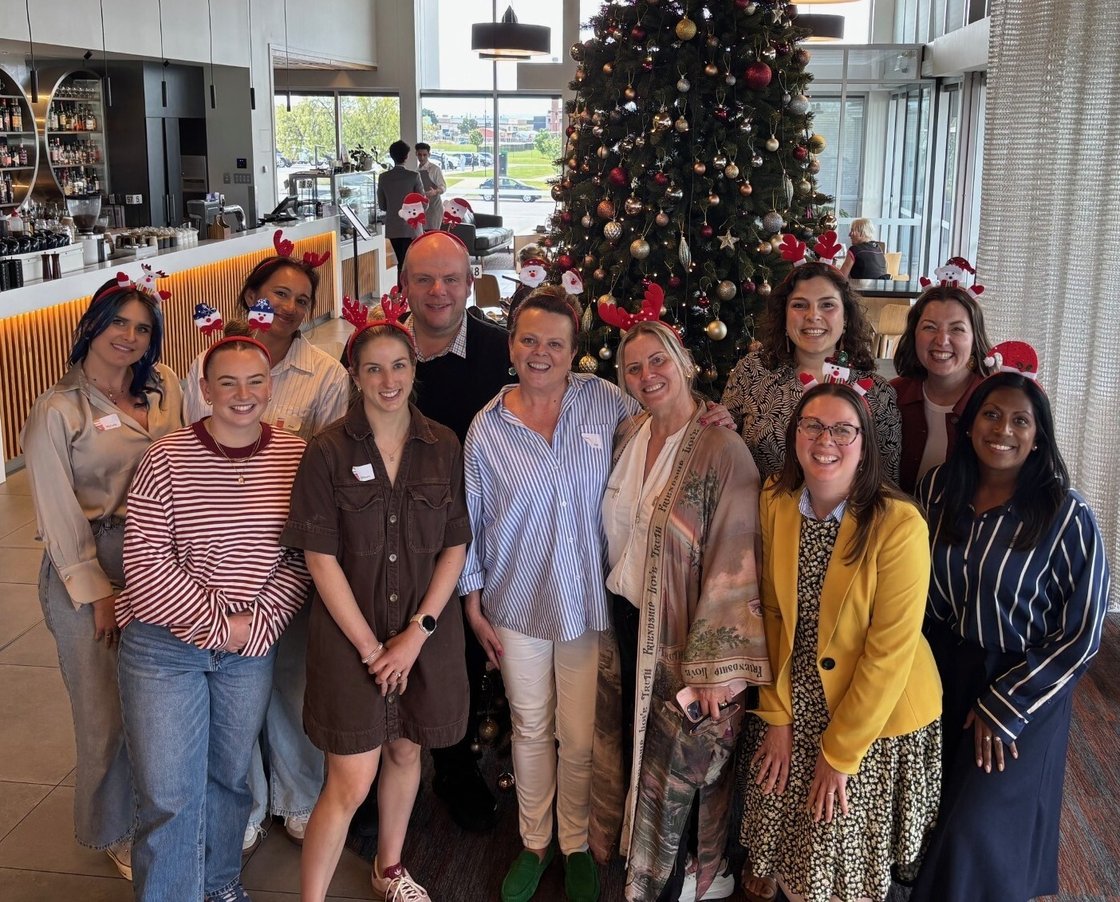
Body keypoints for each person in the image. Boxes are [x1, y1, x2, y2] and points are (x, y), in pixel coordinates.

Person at [461, 287, 644, 902]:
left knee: (580, 734)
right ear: (511, 345)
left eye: (556, 344)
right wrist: (470, 600)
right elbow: (470, 521)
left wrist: (711, 416)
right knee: (530, 726)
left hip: (587, 605)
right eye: (529, 340)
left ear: (574, 352)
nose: (541, 353)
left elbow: (662, 426)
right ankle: (535, 842)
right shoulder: (487, 429)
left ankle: (575, 842)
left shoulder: (605, 403)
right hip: (515, 606)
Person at [116, 336, 311, 901]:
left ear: (270, 387)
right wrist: (220, 625)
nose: (242, 395)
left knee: (229, 782)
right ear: (205, 390)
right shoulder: (166, 457)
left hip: (251, 647)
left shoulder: (293, 455)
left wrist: (264, 620)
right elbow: (145, 565)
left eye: (255, 382)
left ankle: (221, 884)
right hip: (163, 649)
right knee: (169, 793)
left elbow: (301, 555)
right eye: (227, 382)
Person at [911, 350, 1110, 902]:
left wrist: (1007, 705)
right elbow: (915, 588)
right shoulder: (936, 491)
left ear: (1039, 436)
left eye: (1021, 420)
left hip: (1025, 679)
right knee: (935, 805)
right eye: (992, 415)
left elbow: (1084, 631)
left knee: (978, 823)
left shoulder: (1067, 515)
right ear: (970, 422)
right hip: (944, 666)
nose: (1003, 430)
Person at [284, 315, 471, 902]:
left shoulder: (443, 443)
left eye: (399, 365)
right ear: (355, 376)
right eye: (373, 368)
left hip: (423, 633)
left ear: (414, 371)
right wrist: (372, 648)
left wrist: (416, 634)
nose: (388, 380)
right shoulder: (327, 452)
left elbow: (455, 545)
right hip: (350, 637)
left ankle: (389, 868)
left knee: (406, 747)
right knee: (349, 778)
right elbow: (319, 557)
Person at [739, 382, 942, 902]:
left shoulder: (899, 524)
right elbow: (772, 613)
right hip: (795, 688)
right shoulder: (776, 500)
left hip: (871, 708)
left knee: (835, 843)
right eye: (812, 425)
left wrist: (840, 753)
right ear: (795, 435)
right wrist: (778, 713)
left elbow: (888, 655)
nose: (825, 439)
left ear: (865, 442)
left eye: (842, 429)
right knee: (777, 799)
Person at [345, 229, 514, 853]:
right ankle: (368, 782)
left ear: (471, 282)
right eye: (424, 279)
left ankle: (457, 767)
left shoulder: (504, 353)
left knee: (458, 662)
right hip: (385, 536)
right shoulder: (383, 353)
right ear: (404, 285)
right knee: (377, 656)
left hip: (474, 539)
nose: (438, 292)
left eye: (450, 278)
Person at [591, 321, 771, 902]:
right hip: (625, 622)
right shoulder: (628, 432)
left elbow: (737, 559)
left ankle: (684, 878)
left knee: (683, 768)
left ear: (684, 361)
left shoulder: (723, 448)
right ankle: (640, 868)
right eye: (634, 367)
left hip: (685, 637)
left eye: (657, 361)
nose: (648, 376)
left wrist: (718, 666)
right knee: (637, 755)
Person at [183, 242, 350, 851]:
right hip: (216, 550)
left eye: (301, 301)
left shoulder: (326, 376)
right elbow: (188, 450)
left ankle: (300, 796)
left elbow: (331, 465)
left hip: (288, 554)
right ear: (253, 295)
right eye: (279, 293)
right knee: (230, 682)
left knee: (288, 679)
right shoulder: (209, 366)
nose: (288, 307)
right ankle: (245, 802)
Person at [20, 275, 183, 881]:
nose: (130, 336)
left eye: (143, 327)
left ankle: (163, 815)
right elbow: (59, 517)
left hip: (164, 561)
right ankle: (116, 830)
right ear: (92, 324)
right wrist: (98, 594)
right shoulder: (60, 409)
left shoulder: (165, 388)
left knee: (159, 704)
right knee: (103, 711)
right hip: (97, 562)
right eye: (119, 322)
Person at [721, 261, 901, 483]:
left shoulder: (877, 393)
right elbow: (723, 448)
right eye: (799, 305)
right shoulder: (752, 371)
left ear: (845, 318)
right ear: (784, 316)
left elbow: (886, 485)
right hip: (758, 514)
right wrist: (720, 425)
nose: (813, 315)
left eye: (827, 305)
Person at [891, 280, 993, 492]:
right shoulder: (891, 396)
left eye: (957, 329)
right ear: (913, 336)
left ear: (975, 340)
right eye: (930, 327)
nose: (942, 340)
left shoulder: (994, 402)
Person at [378, 140, 425, 276]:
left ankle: (400, 292)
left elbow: (382, 205)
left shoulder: (383, 177)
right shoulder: (414, 176)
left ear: (392, 156)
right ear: (406, 156)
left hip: (393, 227)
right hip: (412, 228)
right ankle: (407, 292)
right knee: (411, 264)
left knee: (401, 262)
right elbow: (422, 202)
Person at [414, 142, 446, 232]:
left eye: (425, 155)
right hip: (422, 209)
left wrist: (435, 192)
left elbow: (443, 187)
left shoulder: (435, 169)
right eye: (419, 155)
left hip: (434, 208)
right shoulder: (416, 171)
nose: (422, 157)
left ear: (429, 154)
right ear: (416, 154)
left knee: (433, 236)